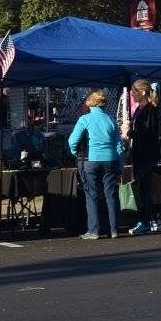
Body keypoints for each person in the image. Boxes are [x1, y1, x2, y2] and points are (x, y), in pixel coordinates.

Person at [68, 89, 124, 239]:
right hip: (110, 159)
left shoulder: (84, 119)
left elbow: (72, 141)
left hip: (90, 159)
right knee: (110, 195)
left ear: (90, 102)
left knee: (91, 195)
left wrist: (75, 152)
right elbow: (119, 145)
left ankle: (94, 230)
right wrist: (121, 163)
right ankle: (114, 229)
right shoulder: (111, 119)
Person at [122, 79, 161, 235]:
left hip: (147, 155)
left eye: (135, 92)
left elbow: (149, 134)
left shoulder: (150, 110)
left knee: (145, 189)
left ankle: (145, 222)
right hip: (139, 154)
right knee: (142, 188)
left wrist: (130, 133)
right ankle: (151, 219)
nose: (132, 95)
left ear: (143, 92)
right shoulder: (139, 109)